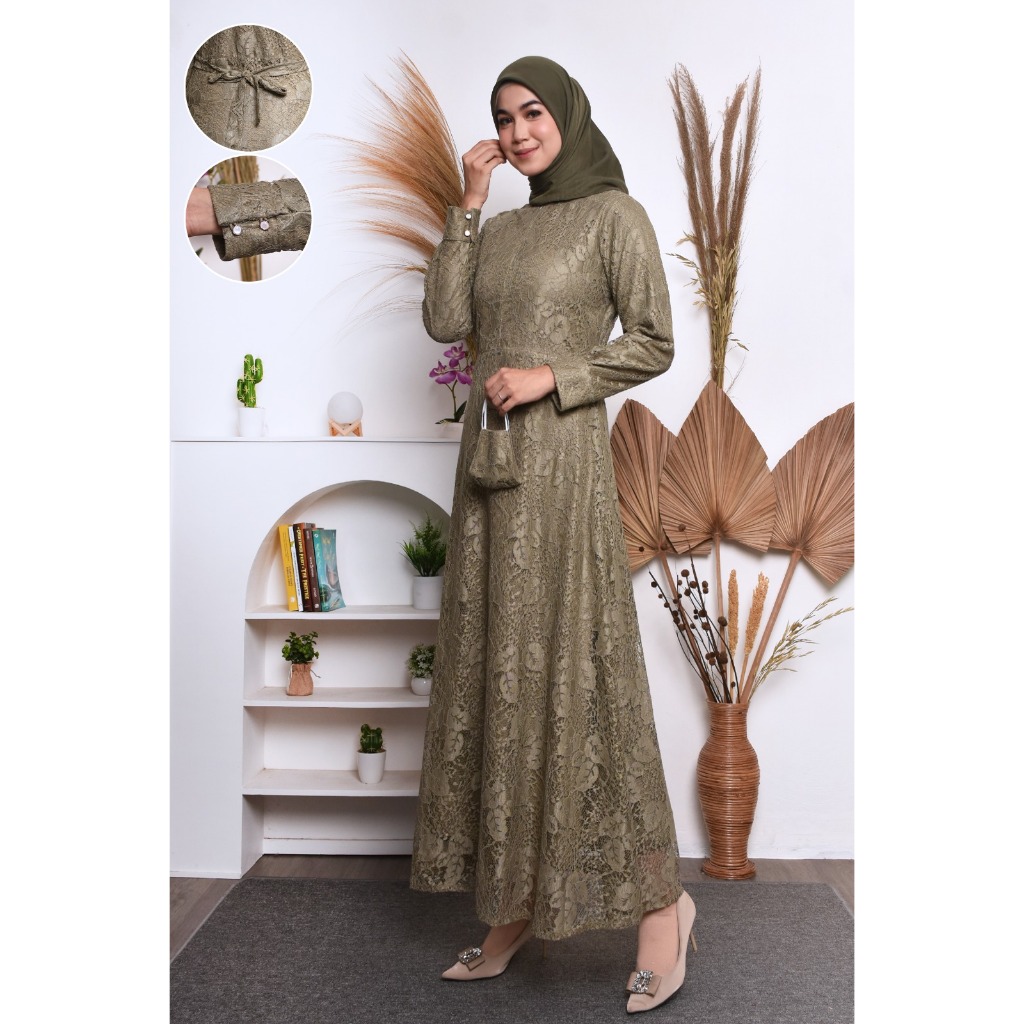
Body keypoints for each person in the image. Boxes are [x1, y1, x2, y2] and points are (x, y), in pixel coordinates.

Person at [410, 56, 696, 1014]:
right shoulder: (500, 224)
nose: (519, 131)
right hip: (489, 475)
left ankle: (662, 912)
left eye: (533, 112)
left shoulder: (616, 215)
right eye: (504, 118)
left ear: (567, 114)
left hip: (564, 468)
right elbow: (446, 319)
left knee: (584, 671)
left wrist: (552, 377)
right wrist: (468, 202)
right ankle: (514, 904)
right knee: (500, 668)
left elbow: (653, 340)